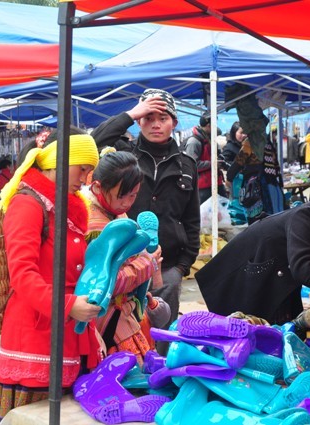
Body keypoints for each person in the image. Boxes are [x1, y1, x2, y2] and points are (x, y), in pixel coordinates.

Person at [0, 128, 103, 423]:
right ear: (61, 161)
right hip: (36, 337)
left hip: (67, 333)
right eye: (83, 169)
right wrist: (69, 306)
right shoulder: (28, 204)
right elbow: (22, 275)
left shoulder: (65, 209)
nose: (86, 178)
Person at [90, 88, 200, 353]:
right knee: (126, 336)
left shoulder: (186, 164)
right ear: (139, 122)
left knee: (163, 335)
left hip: (169, 265)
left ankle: (161, 377)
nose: (155, 124)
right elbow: (94, 141)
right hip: (125, 266)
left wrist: (183, 266)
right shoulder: (125, 157)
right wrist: (130, 113)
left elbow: (192, 219)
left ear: (174, 122)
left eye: (162, 118)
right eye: (148, 118)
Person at [195, 176, 310, 325]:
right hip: (244, 277)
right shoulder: (307, 217)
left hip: (281, 281)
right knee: (242, 333)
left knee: (282, 333)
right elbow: (303, 268)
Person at [83, 150, 168, 363]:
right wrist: (146, 263)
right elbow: (106, 282)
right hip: (109, 320)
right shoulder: (94, 225)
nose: (127, 203)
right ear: (97, 188)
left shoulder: (115, 211)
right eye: (123, 195)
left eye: (133, 195)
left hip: (125, 313)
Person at [183, 114, 227, 203]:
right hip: (203, 187)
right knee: (204, 215)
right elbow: (191, 165)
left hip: (216, 183)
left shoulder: (210, 138)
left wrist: (220, 159)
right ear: (209, 125)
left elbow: (217, 153)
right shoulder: (194, 142)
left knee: (223, 211)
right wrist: (213, 164)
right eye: (215, 124)